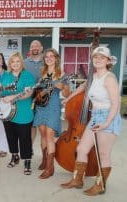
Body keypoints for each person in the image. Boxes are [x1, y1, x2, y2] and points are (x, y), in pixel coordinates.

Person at [60, 47, 121, 196]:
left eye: (102, 57)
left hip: (108, 117)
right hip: (95, 117)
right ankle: (77, 180)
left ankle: (100, 185)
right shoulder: (93, 77)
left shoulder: (110, 78)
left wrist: (106, 123)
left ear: (108, 61)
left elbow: (116, 103)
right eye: (96, 57)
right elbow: (82, 87)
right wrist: (69, 98)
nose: (98, 59)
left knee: (103, 154)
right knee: (81, 149)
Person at [33, 48, 70, 179]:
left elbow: (67, 93)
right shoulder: (41, 73)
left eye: (51, 56)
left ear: (56, 58)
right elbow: (37, 89)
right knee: (42, 134)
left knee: (49, 136)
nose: (49, 58)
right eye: (46, 56)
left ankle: (50, 168)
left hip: (53, 106)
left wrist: (63, 87)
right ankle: (44, 160)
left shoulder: (62, 74)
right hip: (41, 107)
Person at [0, 52, 35, 175]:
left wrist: (13, 97)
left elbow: (28, 93)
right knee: (11, 137)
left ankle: (27, 161)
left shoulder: (27, 75)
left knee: (25, 138)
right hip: (7, 113)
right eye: (13, 62)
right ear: (10, 64)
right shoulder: (5, 75)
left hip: (23, 113)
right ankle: (14, 156)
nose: (15, 64)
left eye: (17, 61)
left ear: (21, 63)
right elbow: (0, 91)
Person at [24, 40, 45, 168]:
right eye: (32, 46)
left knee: (43, 128)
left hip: (44, 98)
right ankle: (29, 151)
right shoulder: (25, 63)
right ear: (30, 49)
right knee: (31, 126)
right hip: (28, 98)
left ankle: (45, 156)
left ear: (41, 48)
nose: (35, 48)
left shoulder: (47, 61)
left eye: (37, 45)